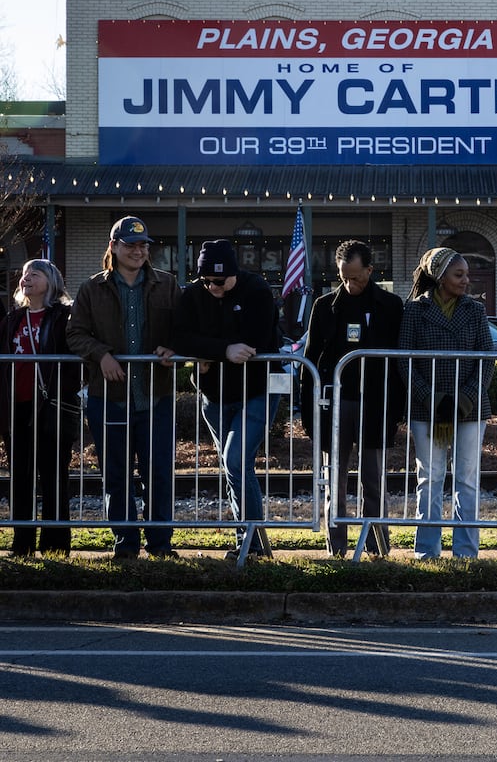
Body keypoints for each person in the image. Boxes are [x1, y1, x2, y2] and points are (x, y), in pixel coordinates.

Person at [67, 216, 181, 560]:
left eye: (143, 244)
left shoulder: (168, 284)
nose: (138, 251)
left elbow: (185, 327)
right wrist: (100, 355)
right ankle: (125, 544)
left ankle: (161, 544)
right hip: (109, 398)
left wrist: (173, 346)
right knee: (117, 475)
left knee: (159, 473)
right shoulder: (91, 288)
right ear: (114, 247)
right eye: (130, 245)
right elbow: (75, 334)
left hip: (156, 396)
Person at [173, 239, 283, 560]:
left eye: (220, 281)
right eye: (206, 280)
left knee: (235, 460)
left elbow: (255, 342)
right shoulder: (194, 294)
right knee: (233, 467)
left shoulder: (257, 290)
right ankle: (250, 543)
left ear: (234, 274)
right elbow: (180, 336)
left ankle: (250, 542)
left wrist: (207, 349)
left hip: (257, 391)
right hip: (215, 394)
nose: (213, 287)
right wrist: (220, 351)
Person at [301, 240, 404, 557]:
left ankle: (377, 546)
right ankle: (337, 547)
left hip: (375, 402)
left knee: (374, 480)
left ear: (370, 271)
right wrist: (309, 413)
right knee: (335, 479)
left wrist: (395, 410)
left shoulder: (390, 305)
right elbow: (311, 360)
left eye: (356, 276)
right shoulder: (324, 305)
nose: (350, 283)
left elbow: (399, 362)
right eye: (344, 276)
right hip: (335, 403)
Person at [399, 247, 491, 560]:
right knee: (430, 478)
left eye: (467, 274)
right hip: (428, 409)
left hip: (470, 408)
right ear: (440, 278)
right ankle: (427, 551)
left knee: (466, 479)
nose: (466, 280)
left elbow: (487, 359)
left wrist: (467, 396)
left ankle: (466, 553)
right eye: (459, 274)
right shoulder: (415, 310)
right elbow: (405, 361)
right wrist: (430, 397)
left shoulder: (475, 310)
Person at [2, 259, 78, 557]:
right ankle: (22, 544)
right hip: (17, 407)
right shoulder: (13, 319)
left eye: (34, 273)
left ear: (51, 281)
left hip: (51, 407)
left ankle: (55, 545)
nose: (26, 279)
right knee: (19, 476)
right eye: (23, 275)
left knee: (53, 476)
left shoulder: (63, 317)